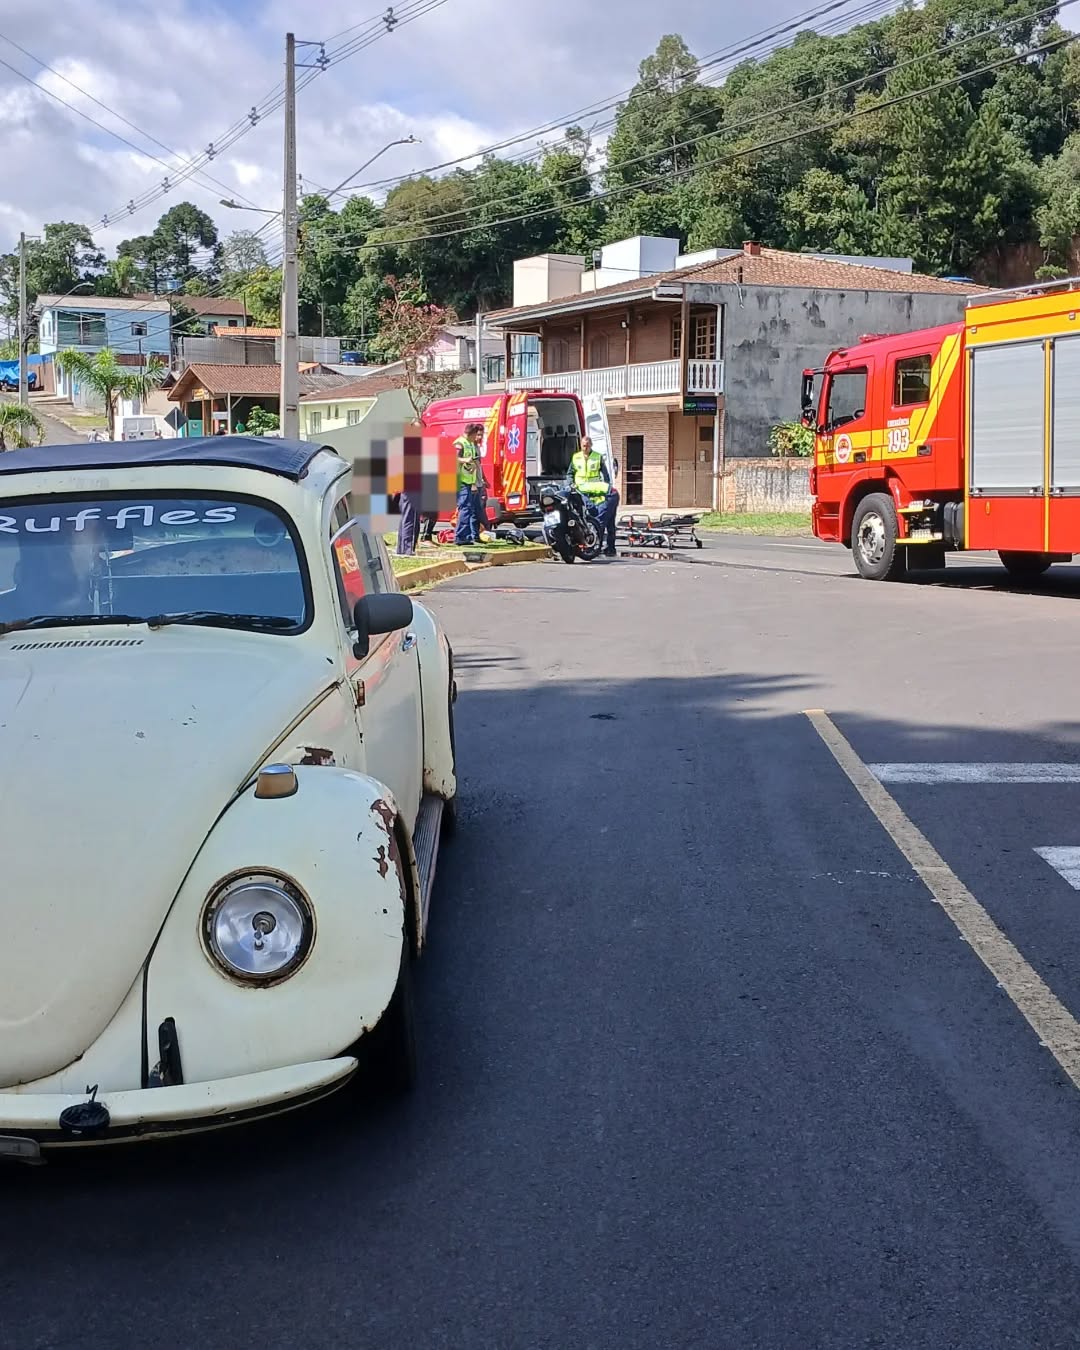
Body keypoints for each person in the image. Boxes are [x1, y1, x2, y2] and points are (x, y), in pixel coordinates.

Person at [568, 435, 620, 557]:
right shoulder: (576, 457)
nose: (585, 448)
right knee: (594, 519)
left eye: (587, 446)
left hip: (597, 492)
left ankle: (608, 547)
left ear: (591, 445)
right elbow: (570, 474)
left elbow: (605, 475)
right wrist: (571, 484)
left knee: (606, 521)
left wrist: (605, 488)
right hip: (582, 490)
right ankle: (598, 545)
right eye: (583, 446)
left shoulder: (597, 457)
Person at [454, 422, 485, 545]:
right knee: (465, 508)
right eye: (475, 435)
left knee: (468, 508)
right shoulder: (460, 443)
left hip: (467, 481)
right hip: (459, 481)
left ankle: (466, 536)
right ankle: (461, 537)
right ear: (470, 434)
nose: (477, 438)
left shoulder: (470, 444)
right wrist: (464, 460)